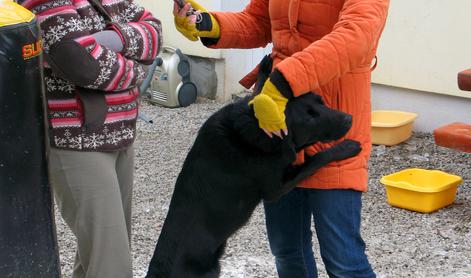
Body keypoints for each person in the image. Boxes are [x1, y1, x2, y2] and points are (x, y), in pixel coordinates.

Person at [173, 0, 389, 277]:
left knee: (343, 259)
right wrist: (207, 23)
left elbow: (357, 37)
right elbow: (259, 22)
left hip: (329, 121)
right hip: (276, 120)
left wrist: (286, 80)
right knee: (287, 251)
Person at [18, 0, 162, 277]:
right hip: (79, 143)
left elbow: (154, 31)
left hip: (120, 135)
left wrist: (111, 39)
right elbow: (77, 60)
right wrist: (137, 70)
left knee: (95, 260)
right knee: (111, 264)